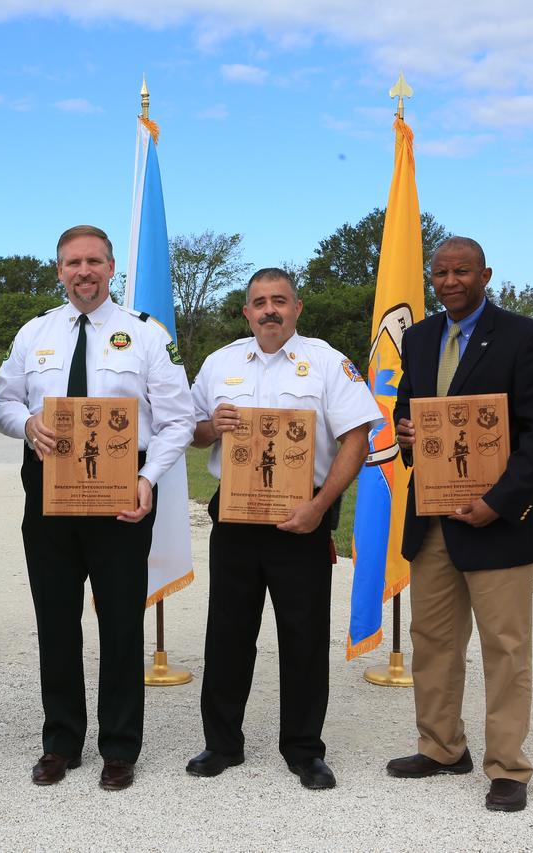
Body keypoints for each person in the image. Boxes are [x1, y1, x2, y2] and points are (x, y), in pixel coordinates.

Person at [0, 225, 195, 791]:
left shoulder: (146, 334)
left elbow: (177, 418)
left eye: (94, 262)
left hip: (123, 490)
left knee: (122, 622)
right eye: (72, 263)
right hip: (49, 489)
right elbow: (3, 401)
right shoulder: (34, 333)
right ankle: (60, 742)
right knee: (55, 619)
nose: (83, 271)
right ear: (58, 270)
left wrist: (149, 477)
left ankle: (120, 746)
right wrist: (26, 424)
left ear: (112, 269)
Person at [185, 268, 382, 789]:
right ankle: (222, 743)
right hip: (235, 518)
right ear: (246, 312)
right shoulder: (219, 363)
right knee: (227, 635)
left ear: (297, 307)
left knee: (304, 638)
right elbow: (192, 432)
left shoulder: (326, 363)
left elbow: (357, 439)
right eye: (258, 302)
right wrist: (213, 427)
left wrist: (320, 508)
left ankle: (304, 750)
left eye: (279, 301)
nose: (269, 310)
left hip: (302, 520)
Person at [388, 237, 533, 812]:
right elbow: (407, 406)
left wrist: (500, 500)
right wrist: (408, 430)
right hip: (433, 518)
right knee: (433, 640)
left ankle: (508, 766)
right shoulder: (418, 338)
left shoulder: (524, 336)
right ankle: (441, 747)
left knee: (504, 646)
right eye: (439, 272)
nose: (449, 281)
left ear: (485, 273)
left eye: (461, 271)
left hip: (499, 522)